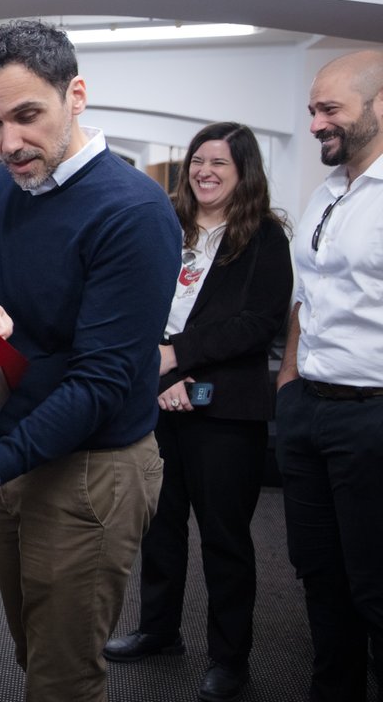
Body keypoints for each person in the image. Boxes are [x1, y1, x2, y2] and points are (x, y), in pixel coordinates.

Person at [0, 19, 181, 702]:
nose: (9, 142)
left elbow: (103, 382)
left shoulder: (133, 212)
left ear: (75, 95)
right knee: (35, 649)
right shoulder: (4, 188)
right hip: (15, 450)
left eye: (27, 116)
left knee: (64, 678)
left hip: (93, 470)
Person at [103, 123, 293, 701]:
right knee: (159, 525)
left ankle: (229, 657)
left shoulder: (264, 236)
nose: (205, 172)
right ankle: (160, 629)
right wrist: (159, 373)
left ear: (244, 172)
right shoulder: (167, 225)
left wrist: (181, 363)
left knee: (225, 536)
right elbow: (136, 300)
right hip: (156, 399)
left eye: (220, 164)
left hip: (225, 408)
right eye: (198, 161)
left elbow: (256, 324)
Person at [276, 50, 383, 702]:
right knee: (318, 573)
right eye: (313, 108)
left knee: (375, 585)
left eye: (330, 109)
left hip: (372, 416)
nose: (315, 122)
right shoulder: (326, 192)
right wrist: (289, 379)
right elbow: (305, 295)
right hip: (308, 410)